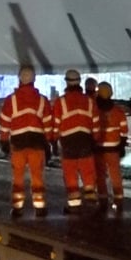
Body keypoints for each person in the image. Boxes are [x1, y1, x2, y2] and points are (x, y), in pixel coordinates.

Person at [0, 64, 54, 217]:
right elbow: (48, 123)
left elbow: (5, 123)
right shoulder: (42, 100)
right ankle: (40, 207)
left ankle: (17, 207)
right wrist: (49, 141)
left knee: (17, 176)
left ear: (19, 78)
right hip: (37, 143)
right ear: (34, 79)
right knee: (37, 176)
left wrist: (4, 141)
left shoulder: (11, 101)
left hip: (18, 144)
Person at [52, 69, 100, 214]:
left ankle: (74, 205)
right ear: (79, 81)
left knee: (70, 174)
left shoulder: (61, 102)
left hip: (68, 143)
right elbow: (96, 123)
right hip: (86, 141)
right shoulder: (90, 101)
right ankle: (91, 202)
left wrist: (53, 141)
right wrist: (95, 140)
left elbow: (56, 124)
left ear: (66, 82)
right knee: (88, 173)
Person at [93, 82, 129, 211]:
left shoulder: (94, 110)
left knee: (100, 175)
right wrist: (122, 146)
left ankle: (102, 199)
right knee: (115, 174)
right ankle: (118, 199)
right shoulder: (118, 111)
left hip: (98, 148)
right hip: (113, 148)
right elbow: (125, 131)